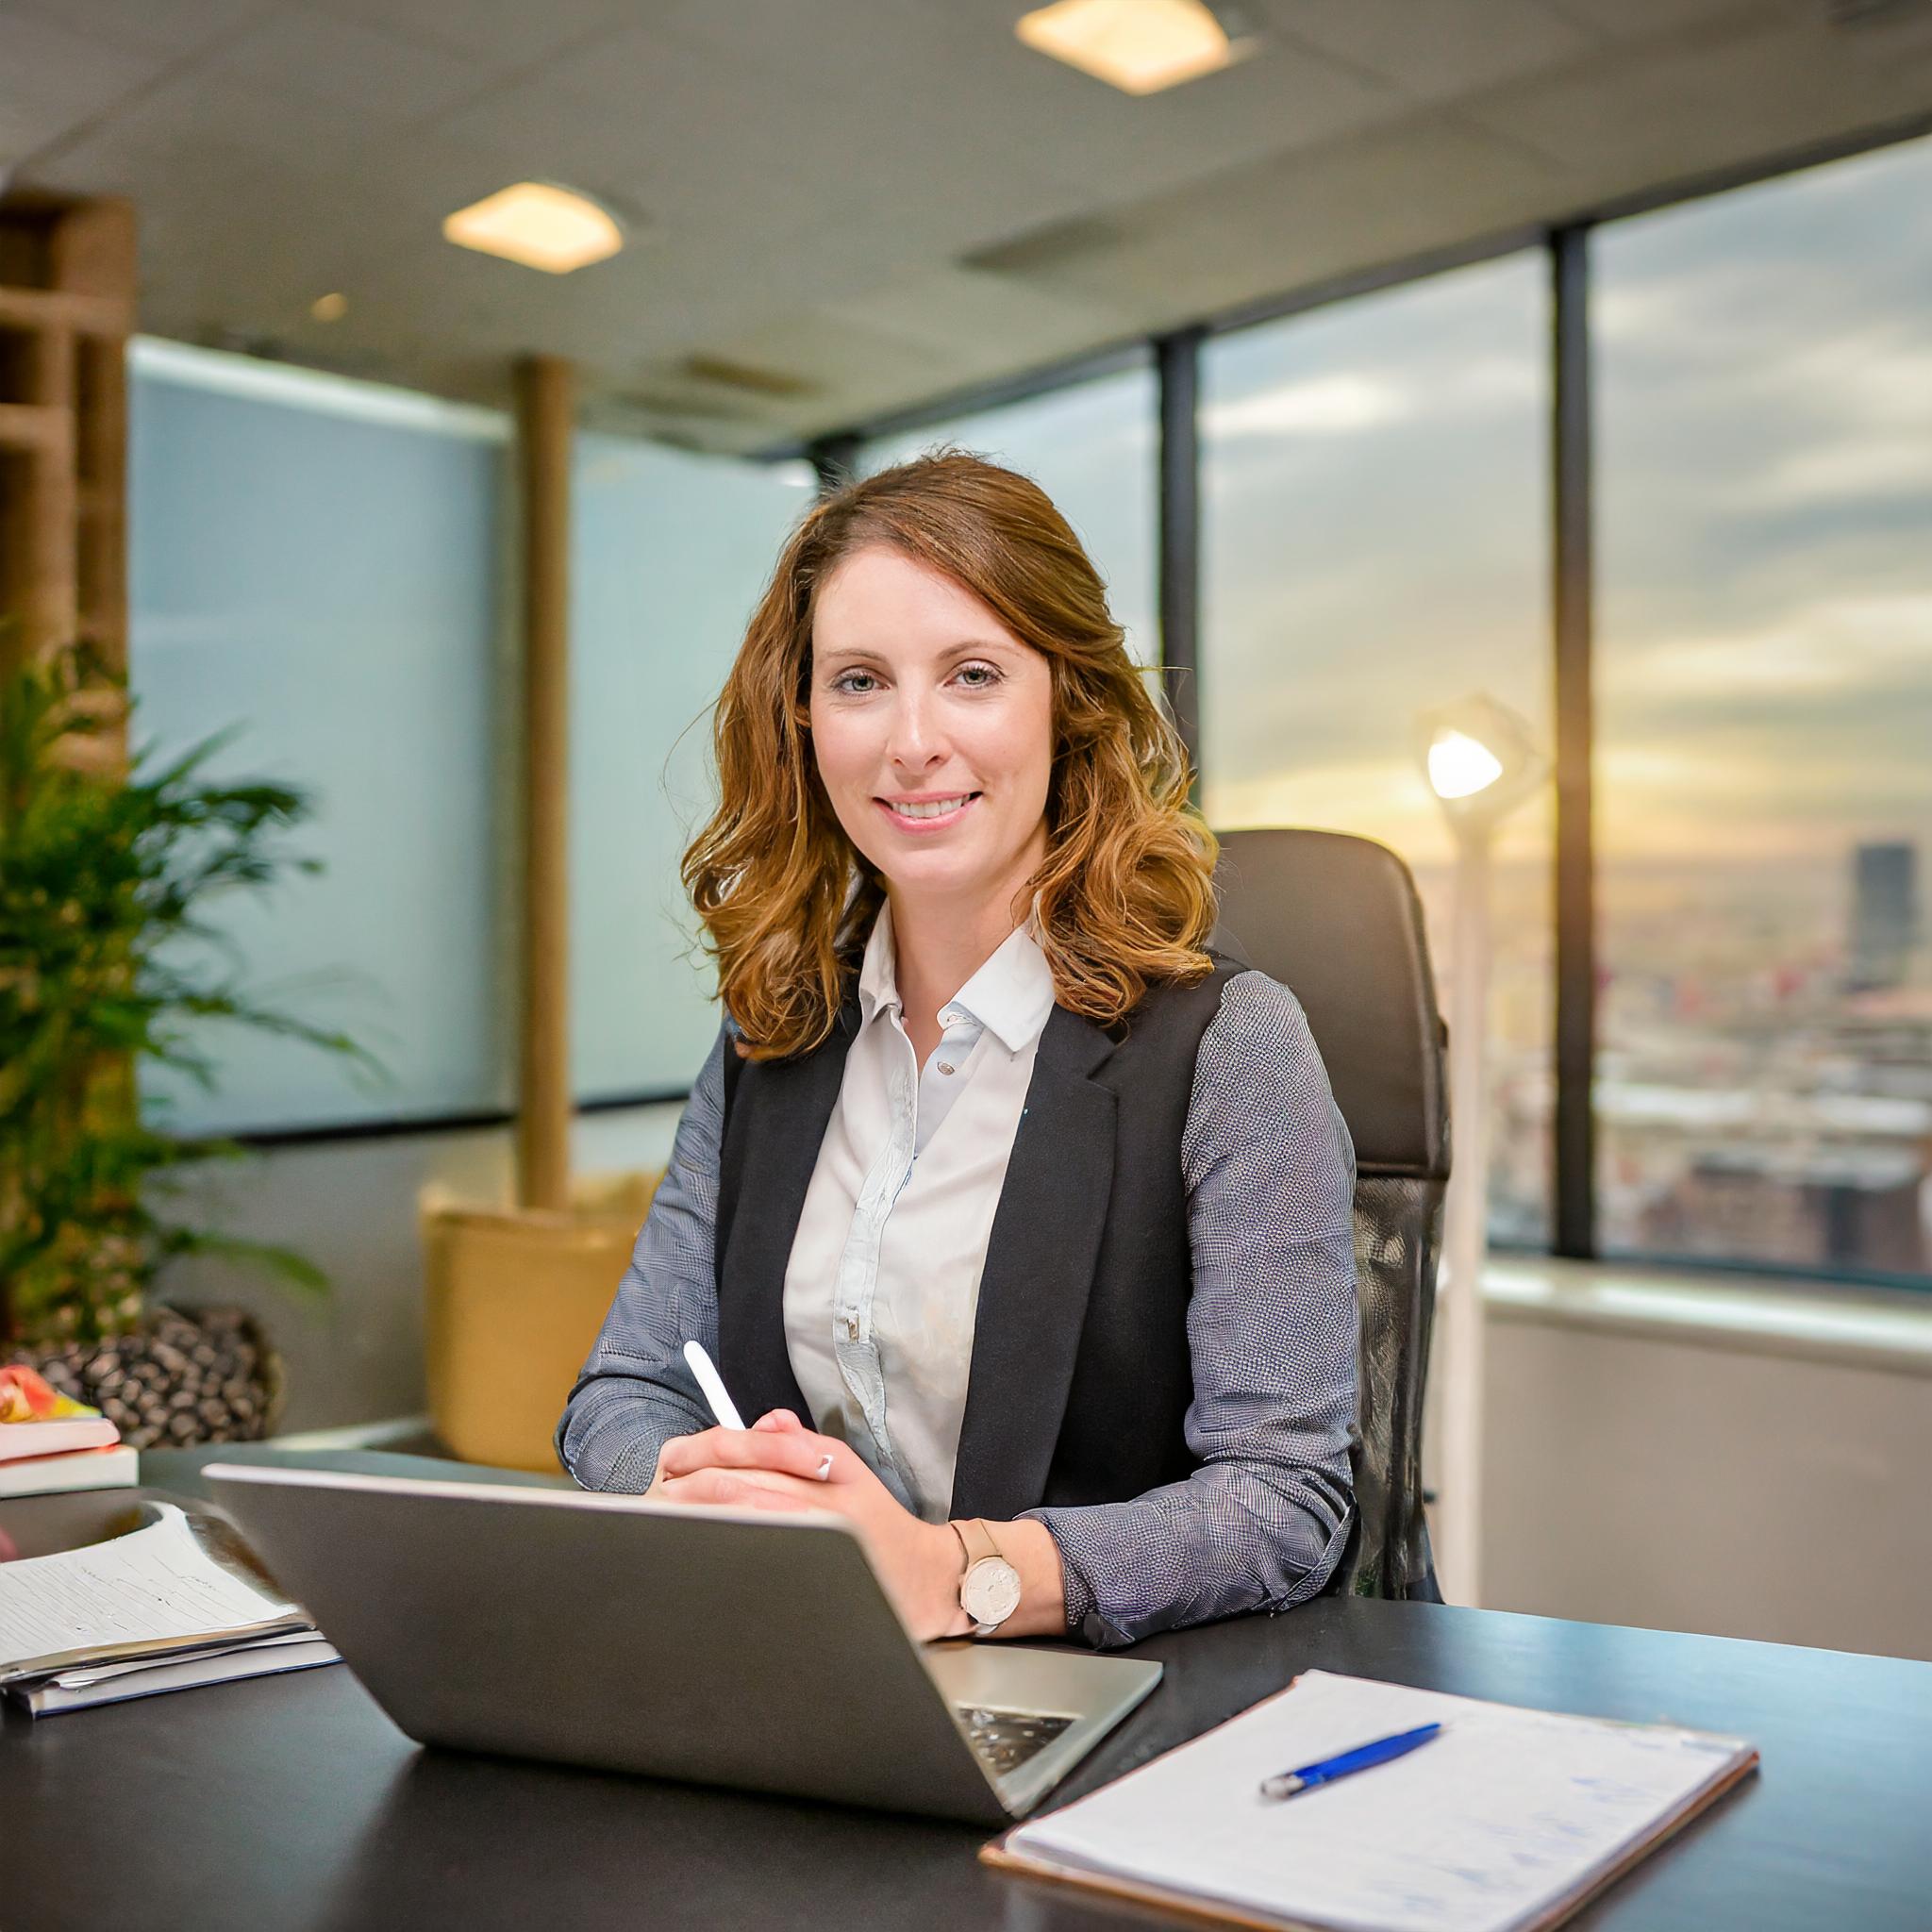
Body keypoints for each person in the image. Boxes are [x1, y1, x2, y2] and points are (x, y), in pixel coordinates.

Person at [557, 451, 1358, 1650]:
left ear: (1067, 702)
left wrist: (955, 1572)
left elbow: (1280, 1500)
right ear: (803, 720)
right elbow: (624, 1390)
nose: (912, 741)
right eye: (859, 681)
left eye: (972, 674)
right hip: (808, 1668)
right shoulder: (773, 1027)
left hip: (1117, 1699)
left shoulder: (1228, 1048)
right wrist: (692, 1488)